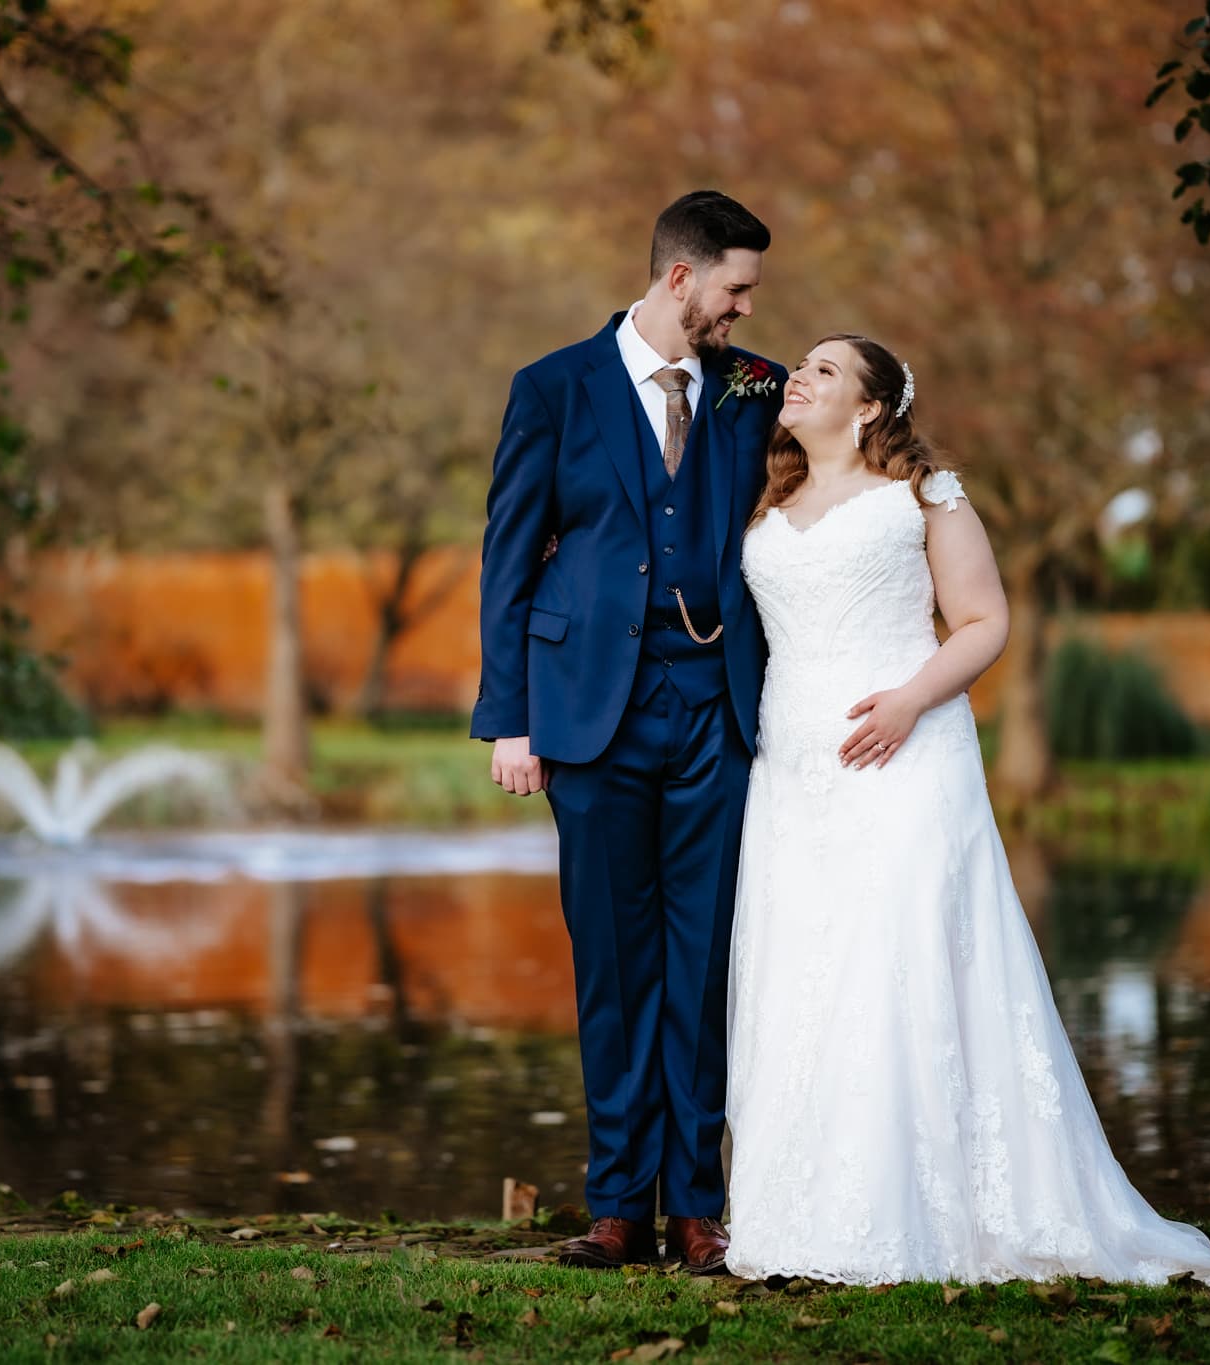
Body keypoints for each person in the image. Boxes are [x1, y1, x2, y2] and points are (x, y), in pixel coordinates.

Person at [722, 333, 1210, 1288]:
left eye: (826, 370)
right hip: (794, 767)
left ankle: (929, 1212)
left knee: (898, 960)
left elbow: (986, 619)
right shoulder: (766, 496)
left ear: (872, 406)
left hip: (906, 755)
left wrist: (912, 700)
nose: (799, 376)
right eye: (802, 364)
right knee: (804, 969)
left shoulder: (927, 494)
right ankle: (800, 1212)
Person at [470, 191, 784, 1273]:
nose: (745, 313)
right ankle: (616, 1205)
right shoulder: (551, 388)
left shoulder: (759, 391)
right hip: (586, 713)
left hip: (717, 709)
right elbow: (508, 559)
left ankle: (696, 1205)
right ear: (680, 278)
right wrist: (507, 719)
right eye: (735, 290)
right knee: (611, 959)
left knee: (700, 966)